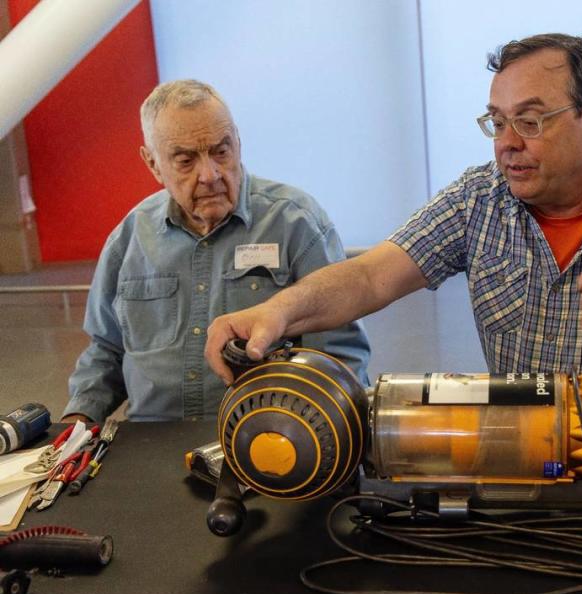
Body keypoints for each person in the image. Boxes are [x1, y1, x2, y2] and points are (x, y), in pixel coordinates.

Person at [205, 34, 582, 409]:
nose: (507, 145)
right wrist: (274, 312)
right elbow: (370, 277)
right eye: (497, 123)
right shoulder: (480, 199)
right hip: (527, 454)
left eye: (529, 121)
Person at [64, 79, 370, 423]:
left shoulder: (295, 222)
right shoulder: (131, 237)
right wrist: (78, 419)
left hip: (269, 440)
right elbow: (106, 350)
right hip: (150, 441)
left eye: (220, 151)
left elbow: (339, 355)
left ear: (238, 143)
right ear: (152, 164)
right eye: (185, 160)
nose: (209, 174)